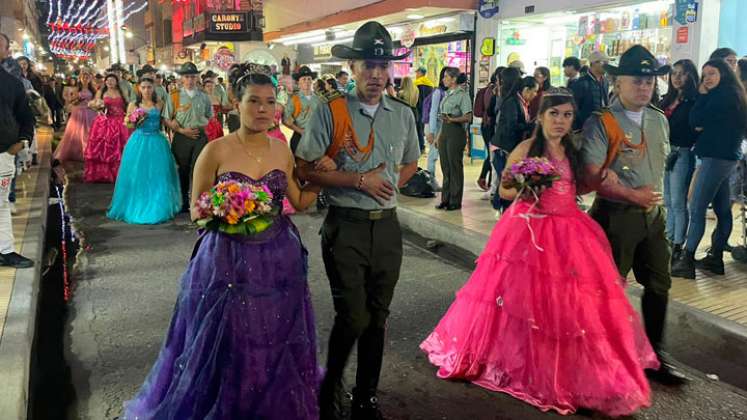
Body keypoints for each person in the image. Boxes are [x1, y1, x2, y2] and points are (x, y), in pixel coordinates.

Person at [421, 88, 658, 417]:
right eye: (554, 114)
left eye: (567, 115)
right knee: (522, 302)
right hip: (529, 230)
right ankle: (523, 361)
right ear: (540, 116)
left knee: (570, 308)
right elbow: (504, 189)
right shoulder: (525, 149)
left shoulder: (573, 150)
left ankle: (572, 369)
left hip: (570, 230)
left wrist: (604, 174)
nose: (560, 121)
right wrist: (523, 182)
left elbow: (582, 187)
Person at [122, 62, 332, 420]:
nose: (263, 109)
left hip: (279, 257)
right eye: (253, 101)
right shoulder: (215, 150)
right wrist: (229, 208)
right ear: (236, 102)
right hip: (227, 259)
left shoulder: (281, 149)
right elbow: (195, 210)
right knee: (230, 337)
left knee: (274, 332)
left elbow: (298, 201)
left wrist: (320, 177)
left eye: (269, 102)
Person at [294, 21, 420, 420]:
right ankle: (329, 387)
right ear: (352, 68)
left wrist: (389, 188)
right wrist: (359, 181)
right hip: (345, 225)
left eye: (384, 67)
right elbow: (304, 168)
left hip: (387, 228)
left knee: (378, 316)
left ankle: (366, 396)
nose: (377, 75)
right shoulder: (330, 112)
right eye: (369, 65)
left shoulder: (402, 115)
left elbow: (412, 161)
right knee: (353, 315)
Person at [582, 45, 688, 386]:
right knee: (607, 290)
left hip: (653, 218)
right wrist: (631, 193)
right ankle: (600, 358)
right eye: (637, 81)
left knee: (659, 284)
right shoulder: (602, 123)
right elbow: (590, 176)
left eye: (649, 81)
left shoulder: (659, 119)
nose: (645, 87)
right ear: (617, 82)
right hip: (615, 218)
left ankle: (655, 355)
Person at [671, 59, 747, 279]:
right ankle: (715, 258)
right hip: (727, 157)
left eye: (712, 74)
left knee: (696, 208)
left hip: (716, 157)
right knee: (723, 209)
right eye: (704, 76)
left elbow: (695, 121)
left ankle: (687, 260)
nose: (707, 79)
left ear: (724, 73)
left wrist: (702, 95)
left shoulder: (721, 96)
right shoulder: (735, 93)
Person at [107, 78, 181, 224]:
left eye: (149, 87)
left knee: (158, 174)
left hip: (157, 141)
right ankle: (137, 203)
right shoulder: (133, 104)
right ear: (139, 89)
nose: (147, 90)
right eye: (144, 87)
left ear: (153, 88)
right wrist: (133, 121)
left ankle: (159, 204)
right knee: (138, 174)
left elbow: (165, 121)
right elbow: (127, 124)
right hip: (138, 141)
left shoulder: (159, 103)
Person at [660, 60, 700, 263]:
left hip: (683, 152)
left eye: (682, 74)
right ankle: (668, 237)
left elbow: (694, 130)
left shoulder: (694, 101)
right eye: (674, 73)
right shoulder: (667, 99)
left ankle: (677, 243)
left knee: (678, 201)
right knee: (667, 199)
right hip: (666, 151)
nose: (676, 77)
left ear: (690, 76)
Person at [0, 33, 34, 268]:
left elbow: (25, 116)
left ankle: (5, 251)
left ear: (5, 51)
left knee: (1, 204)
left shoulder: (12, 83)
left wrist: (21, 142)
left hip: (3, 154)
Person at [165, 62, 213, 212]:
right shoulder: (174, 96)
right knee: (183, 170)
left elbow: (209, 116)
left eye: (193, 76)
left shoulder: (204, 97)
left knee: (200, 169)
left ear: (197, 77)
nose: (190, 80)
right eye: (187, 77)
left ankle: (199, 201)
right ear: (182, 79)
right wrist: (182, 130)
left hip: (200, 136)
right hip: (182, 137)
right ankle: (184, 201)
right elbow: (166, 118)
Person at [492, 76, 539, 211]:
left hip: (510, 147)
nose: (535, 95)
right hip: (504, 147)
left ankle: (500, 207)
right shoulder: (512, 102)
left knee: (507, 179)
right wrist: (530, 126)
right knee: (507, 179)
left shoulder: (523, 103)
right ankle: (502, 208)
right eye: (534, 91)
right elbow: (511, 126)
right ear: (526, 89)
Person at [435, 67, 472, 211]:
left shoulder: (463, 95)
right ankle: (445, 198)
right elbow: (443, 117)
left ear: (454, 79)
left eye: (446, 77)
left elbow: (468, 117)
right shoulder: (447, 94)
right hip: (444, 130)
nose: (443, 79)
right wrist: (439, 136)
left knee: (454, 166)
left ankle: (455, 200)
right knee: (445, 166)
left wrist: (453, 119)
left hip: (456, 132)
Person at [84, 73, 130, 183]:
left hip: (121, 121)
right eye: (108, 80)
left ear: (116, 82)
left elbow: (127, 105)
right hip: (106, 121)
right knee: (106, 148)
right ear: (105, 82)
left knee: (122, 147)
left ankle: (122, 173)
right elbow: (95, 104)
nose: (110, 82)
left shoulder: (121, 92)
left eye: (112, 80)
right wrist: (97, 108)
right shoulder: (101, 92)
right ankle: (104, 173)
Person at [54, 69, 98, 162]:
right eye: (84, 77)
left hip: (90, 112)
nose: (85, 79)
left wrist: (94, 105)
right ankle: (79, 151)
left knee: (90, 132)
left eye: (87, 77)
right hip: (78, 112)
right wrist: (77, 100)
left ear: (90, 78)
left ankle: (90, 150)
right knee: (77, 132)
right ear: (80, 78)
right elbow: (70, 100)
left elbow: (95, 100)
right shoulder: (76, 89)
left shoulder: (93, 89)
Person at [571, 50, 610, 131]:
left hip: (603, 127)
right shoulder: (581, 83)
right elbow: (574, 108)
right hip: (584, 129)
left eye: (607, 62)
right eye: (604, 62)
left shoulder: (605, 81)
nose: (607, 65)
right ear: (593, 63)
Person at [284, 66, 318, 153]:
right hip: (300, 136)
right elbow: (286, 120)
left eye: (309, 79)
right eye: (304, 79)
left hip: (316, 136)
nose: (307, 82)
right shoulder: (294, 99)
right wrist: (301, 131)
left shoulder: (319, 98)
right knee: (301, 165)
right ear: (298, 82)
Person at [426, 67, 449, 192]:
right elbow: (433, 112)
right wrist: (432, 132)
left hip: (441, 128)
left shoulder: (449, 92)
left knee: (437, 154)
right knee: (433, 155)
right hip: (434, 127)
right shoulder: (438, 92)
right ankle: (430, 181)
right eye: (445, 76)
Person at [414, 67, 435, 153]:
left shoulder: (416, 83)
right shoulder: (430, 84)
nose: (416, 75)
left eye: (417, 72)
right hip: (428, 109)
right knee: (426, 128)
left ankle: (420, 147)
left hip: (418, 109)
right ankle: (426, 146)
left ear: (420, 73)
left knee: (418, 128)